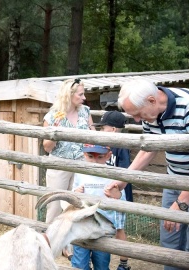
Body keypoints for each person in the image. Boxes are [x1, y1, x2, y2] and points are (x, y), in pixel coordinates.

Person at [105, 79, 189, 270]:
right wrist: (122, 182)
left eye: (138, 114)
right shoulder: (151, 114)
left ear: (152, 100)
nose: (137, 120)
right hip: (174, 178)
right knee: (169, 241)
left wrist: (180, 203)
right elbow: (148, 150)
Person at [42, 78, 94, 260]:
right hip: (59, 164)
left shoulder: (86, 112)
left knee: (77, 205)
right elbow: (47, 147)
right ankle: (47, 245)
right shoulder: (53, 116)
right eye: (81, 94)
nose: (84, 97)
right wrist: (54, 131)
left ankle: (70, 246)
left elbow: (92, 137)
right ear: (69, 95)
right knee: (55, 206)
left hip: (81, 164)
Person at [69, 144, 125, 270]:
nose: (95, 161)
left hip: (103, 229)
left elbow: (122, 198)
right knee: (79, 265)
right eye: (90, 156)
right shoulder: (80, 172)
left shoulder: (113, 174)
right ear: (84, 154)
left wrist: (117, 195)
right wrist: (76, 193)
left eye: (100, 157)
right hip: (81, 227)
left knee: (101, 265)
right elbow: (74, 195)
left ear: (109, 155)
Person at [93, 111, 132, 270]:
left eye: (104, 128)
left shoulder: (121, 147)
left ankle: (124, 264)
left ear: (114, 130)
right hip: (105, 194)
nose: (102, 131)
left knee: (118, 230)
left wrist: (117, 191)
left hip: (118, 195)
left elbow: (125, 171)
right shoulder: (105, 145)